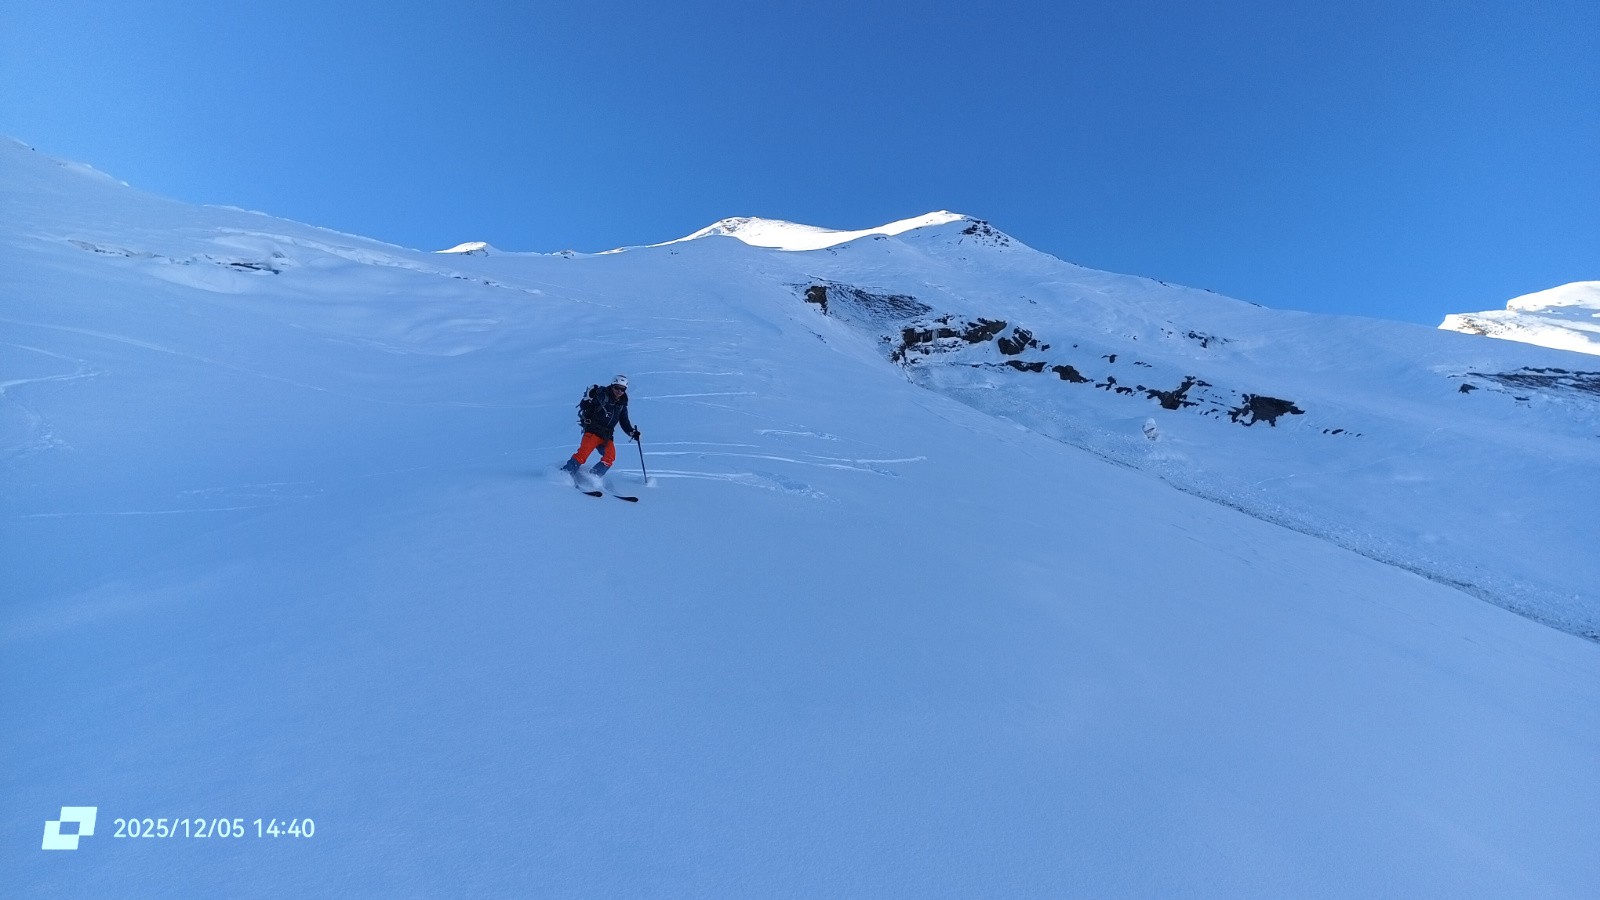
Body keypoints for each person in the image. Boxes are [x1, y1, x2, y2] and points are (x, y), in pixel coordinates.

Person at [561, 375, 641, 480]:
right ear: (612, 386)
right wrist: (588, 398)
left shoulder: (622, 404)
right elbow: (584, 406)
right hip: (592, 432)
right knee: (582, 455)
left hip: (607, 436)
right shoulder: (602, 395)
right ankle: (565, 474)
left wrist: (631, 432)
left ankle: (592, 477)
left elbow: (624, 421)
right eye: (617, 387)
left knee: (609, 457)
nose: (619, 391)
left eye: (622, 389)